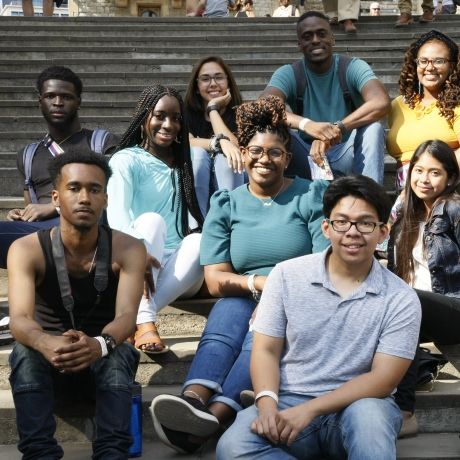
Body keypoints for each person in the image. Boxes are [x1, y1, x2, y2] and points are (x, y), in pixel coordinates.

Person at [150, 96, 330, 454]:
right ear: (243, 154)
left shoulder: (309, 195)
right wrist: (257, 284)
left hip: (296, 294)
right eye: (256, 151)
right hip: (242, 290)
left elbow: (321, 264)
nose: (265, 159)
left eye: (275, 152)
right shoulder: (227, 203)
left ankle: (214, 417)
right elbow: (216, 280)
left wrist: (275, 291)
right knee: (225, 320)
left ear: (288, 158)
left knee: (259, 335)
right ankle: (192, 400)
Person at [216, 175, 421, 459]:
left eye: (365, 223)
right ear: (326, 227)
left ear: (383, 232)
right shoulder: (286, 275)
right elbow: (265, 349)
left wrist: (311, 409)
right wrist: (266, 406)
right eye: (341, 222)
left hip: (360, 406)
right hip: (289, 400)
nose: (352, 232)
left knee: (371, 423)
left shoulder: (401, 298)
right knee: (233, 446)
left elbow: (383, 380)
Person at [7, 151, 146, 459]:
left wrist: (100, 344)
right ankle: (40, 453)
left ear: (106, 199)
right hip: (48, 366)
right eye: (74, 188)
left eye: (94, 189)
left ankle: (112, 452)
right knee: (23, 353)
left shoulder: (130, 248)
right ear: (56, 197)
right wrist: (46, 342)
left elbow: (127, 316)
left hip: (103, 361)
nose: (85, 197)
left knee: (120, 351)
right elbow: (19, 318)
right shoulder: (25, 249)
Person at [107, 85, 204, 354]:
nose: (168, 124)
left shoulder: (183, 165)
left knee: (198, 241)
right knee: (152, 221)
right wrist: (138, 257)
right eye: (160, 115)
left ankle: (129, 318)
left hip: (177, 272)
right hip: (132, 261)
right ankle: (145, 321)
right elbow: (116, 223)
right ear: (143, 118)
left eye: (176, 118)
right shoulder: (125, 160)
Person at [0, 66, 118, 269]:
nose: (57, 103)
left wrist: (53, 207)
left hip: (88, 226)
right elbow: (32, 205)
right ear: (40, 102)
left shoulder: (101, 142)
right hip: (42, 235)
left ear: (78, 102)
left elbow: (114, 194)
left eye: (66, 97)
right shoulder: (28, 155)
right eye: (50, 96)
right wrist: (23, 214)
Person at [261, 11, 389, 184]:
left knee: (373, 129)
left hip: (347, 152)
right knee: (273, 128)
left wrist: (338, 128)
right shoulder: (290, 73)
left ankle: (369, 200)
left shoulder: (351, 67)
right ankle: (279, 201)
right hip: (305, 154)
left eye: (321, 34)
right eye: (307, 36)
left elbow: (380, 101)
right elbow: (263, 106)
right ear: (299, 44)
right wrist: (307, 125)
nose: (315, 40)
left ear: (333, 39)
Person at [389, 140, 460, 437]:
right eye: (419, 171)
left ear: (450, 178)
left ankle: (404, 412)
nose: (424, 179)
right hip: (415, 313)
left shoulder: (454, 209)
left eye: (434, 173)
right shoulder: (406, 211)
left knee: (403, 300)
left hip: (452, 307)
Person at [387, 30, 460, 189]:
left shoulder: (457, 105)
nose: (430, 67)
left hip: (445, 188)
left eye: (439, 61)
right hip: (405, 191)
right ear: (415, 64)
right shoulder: (398, 105)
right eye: (423, 60)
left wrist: (429, 173)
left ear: (452, 66)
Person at [184, 56, 245, 217]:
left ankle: (230, 221)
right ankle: (197, 225)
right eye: (205, 79)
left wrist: (213, 109)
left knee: (226, 158)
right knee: (196, 154)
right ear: (197, 86)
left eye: (219, 77)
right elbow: (187, 141)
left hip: (233, 175)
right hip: (197, 173)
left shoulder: (241, 113)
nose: (213, 83)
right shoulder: (187, 113)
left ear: (228, 82)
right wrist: (218, 143)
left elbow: (236, 148)